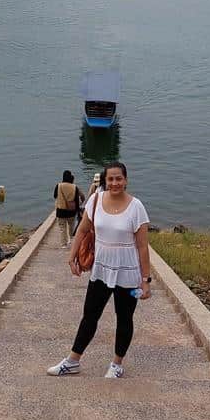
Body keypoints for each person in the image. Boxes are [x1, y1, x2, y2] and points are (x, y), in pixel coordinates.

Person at [47, 161, 151, 379]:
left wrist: (145, 279)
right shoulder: (95, 200)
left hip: (128, 273)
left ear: (126, 180)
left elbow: (142, 247)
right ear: (105, 181)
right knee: (89, 316)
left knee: (124, 318)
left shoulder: (137, 207)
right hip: (101, 271)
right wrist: (71, 256)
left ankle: (117, 364)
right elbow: (83, 229)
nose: (114, 183)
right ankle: (73, 360)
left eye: (118, 179)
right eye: (110, 179)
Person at [52, 170, 84, 246]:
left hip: (60, 210)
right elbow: (79, 197)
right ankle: (71, 240)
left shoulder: (58, 185)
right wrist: (79, 206)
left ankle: (64, 244)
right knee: (71, 226)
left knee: (62, 228)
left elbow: (55, 196)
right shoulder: (74, 187)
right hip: (71, 211)